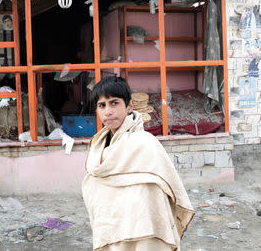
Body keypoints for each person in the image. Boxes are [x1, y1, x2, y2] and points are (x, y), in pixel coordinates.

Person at [82, 76, 194, 251]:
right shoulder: (98, 145)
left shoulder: (145, 143)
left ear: (129, 106)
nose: (107, 111)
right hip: (111, 228)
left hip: (145, 232)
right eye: (101, 105)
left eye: (114, 103)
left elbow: (156, 197)